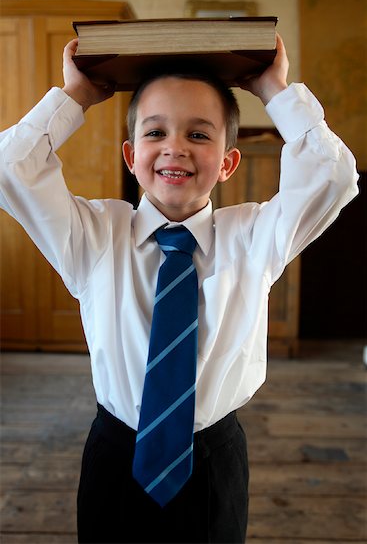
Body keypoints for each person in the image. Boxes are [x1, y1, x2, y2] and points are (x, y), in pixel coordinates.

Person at [0, 33, 359, 543]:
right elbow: (10, 167)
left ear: (228, 163)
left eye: (198, 134)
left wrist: (273, 89)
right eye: (155, 132)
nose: (175, 147)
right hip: (116, 456)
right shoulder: (95, 237)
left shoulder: (254, 238)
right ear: (131, 155)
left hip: (214, 461)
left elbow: (334, 176)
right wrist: (74, 96)